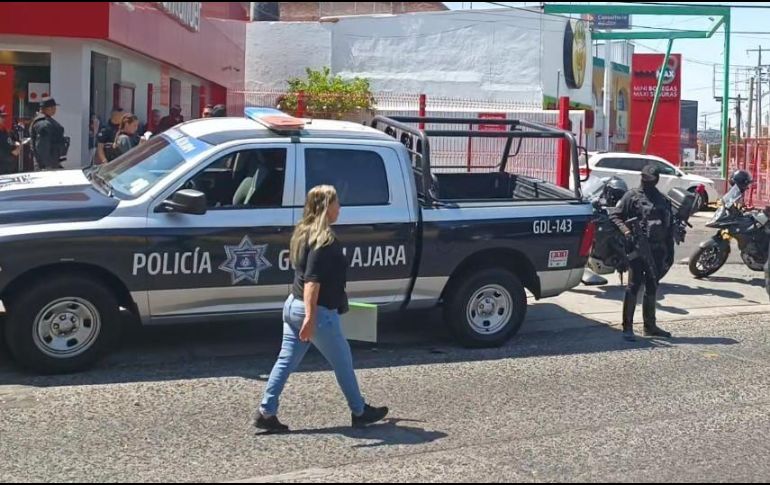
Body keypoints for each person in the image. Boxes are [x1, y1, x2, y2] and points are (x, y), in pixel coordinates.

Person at [256, 185, 388, 433]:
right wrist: (310, 317)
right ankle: (359, 411)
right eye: (337, 202)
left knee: (285, 362)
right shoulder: (324, 241)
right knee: (343, 362)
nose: (340, 207)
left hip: (291, 307)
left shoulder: (303, 232)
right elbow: (312, 282)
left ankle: (266, 411)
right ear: (327, 207)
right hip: (316, 313)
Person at [610, 164, 674, 342]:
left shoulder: (663, 200)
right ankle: (627, 328)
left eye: (650, 180)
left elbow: (669, 228)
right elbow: (615, 216)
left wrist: (670, 252)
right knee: (634, 286)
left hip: (657, 250)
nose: (646, 183)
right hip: (637, 249)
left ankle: (649, 326)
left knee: (652, 285)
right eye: (644, 179)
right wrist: (627, 232)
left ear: (656, 180)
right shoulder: (632, 196)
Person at [30, 98, 67, 170]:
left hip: (52, 162)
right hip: (46, 166)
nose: (55, 109)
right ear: (47, 108)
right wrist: (47, 165)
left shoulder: (46, 121)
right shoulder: (43, 124)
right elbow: (42, 146)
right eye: (53, 107)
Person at [0, 109, 20, 174]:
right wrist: (17, 147)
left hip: (7, 167)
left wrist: (15, 144)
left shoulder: (4, 131)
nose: (4, 119)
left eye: (4, 117)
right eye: (2, 117)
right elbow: (14, 152)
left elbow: (8, 143)